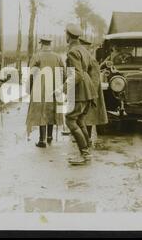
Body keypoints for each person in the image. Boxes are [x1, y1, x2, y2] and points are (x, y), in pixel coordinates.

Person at [64, 24, 98, 165]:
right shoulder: (84, 49)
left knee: (70, 120)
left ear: (68, 35)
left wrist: (63, 88)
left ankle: (84, 154)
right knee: (80, 120)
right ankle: (87, 149)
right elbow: (89, 69)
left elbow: (76, 74)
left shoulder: (72, 51)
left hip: (80, 91)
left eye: (65, 34)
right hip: (88, 89)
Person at [26, 36, 64, 148]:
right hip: (55, 87)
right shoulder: (57, 56)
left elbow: (31, 73)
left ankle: (42, 140)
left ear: (41, 44)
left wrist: (30, 88)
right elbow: (64, 72)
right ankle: (49, 137)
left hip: (40, 88)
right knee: (51, 110)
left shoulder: (37, 56)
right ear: (50, 44)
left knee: (42, 112)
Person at [79, 36, 108, 144]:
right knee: (82, 116)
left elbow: (95, 80)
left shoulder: (91, 60)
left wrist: (91, 95)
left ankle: (88, 139)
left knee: (89, 117)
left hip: (90, 93)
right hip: (83, 92)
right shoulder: (81, 59)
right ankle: (83, 138)